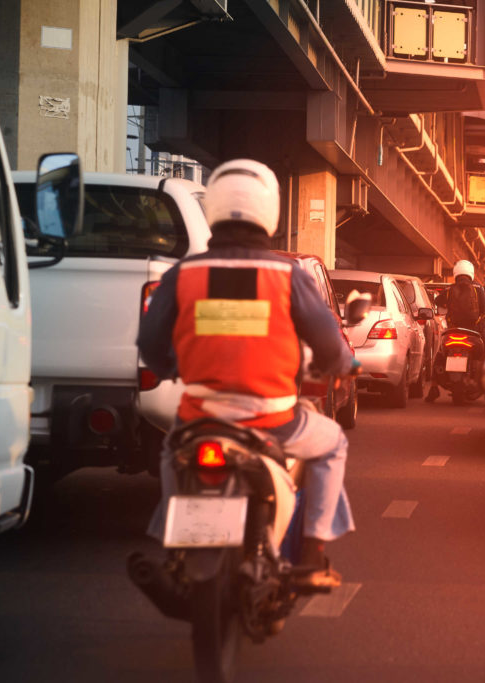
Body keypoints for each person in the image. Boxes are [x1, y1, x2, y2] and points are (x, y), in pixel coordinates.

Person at [137, 159, 357, 588]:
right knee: (332, 445)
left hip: (199, 420)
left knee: (171, 453)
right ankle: (312, 554)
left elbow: (150, 346)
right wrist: (342, 366)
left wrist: (170, 367)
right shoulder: (287, 276)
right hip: (275, 423)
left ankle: (173, 545)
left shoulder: (184, 274)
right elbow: (331, 347)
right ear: (269, 212)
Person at [426, 259, 485, 402]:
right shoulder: (478, 289)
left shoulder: (449, 290)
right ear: (471, 273)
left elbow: (437, 302)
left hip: (453, 331)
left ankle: (433, 388)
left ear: (456, 273)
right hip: (473, 332)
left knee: (439, 355)